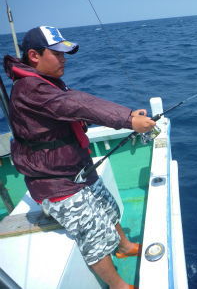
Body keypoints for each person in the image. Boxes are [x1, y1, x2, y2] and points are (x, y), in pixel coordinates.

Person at [3, 26, 156, 289]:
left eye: (65, 53)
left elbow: (76, 103)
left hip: (77, 168)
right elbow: (75, 105)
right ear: (34, 55)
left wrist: (130, 114)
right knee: (94, 236)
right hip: (55, 182)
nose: (64, 59)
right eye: (57, 53)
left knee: (108, 208)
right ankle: (120, 286)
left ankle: (125, 246)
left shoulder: (47, 82)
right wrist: (128, 120)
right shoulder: (30, 88)